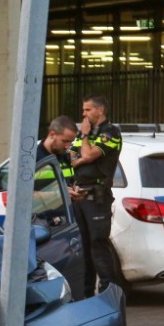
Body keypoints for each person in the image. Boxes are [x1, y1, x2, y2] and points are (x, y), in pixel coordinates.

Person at [69, 95, 123, 296]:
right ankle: (86, 295)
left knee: (99, 246)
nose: (84, 114)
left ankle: (109, 294)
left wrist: (84, 140)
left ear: (100, 110)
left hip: (97, 197)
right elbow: (72, 157)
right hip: (80, 196)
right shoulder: (86, 133)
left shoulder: (111, 132)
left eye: (88, 110)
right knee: (83, 248)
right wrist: (82, 155)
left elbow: (90, 155)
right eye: (83, 110)